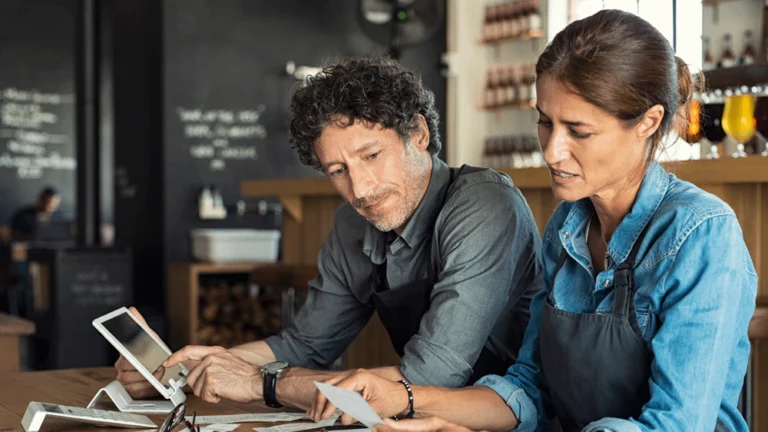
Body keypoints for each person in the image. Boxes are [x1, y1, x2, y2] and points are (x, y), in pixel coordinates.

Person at [309, 10, 757, 432]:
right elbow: (528, 387)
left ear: (648, 122)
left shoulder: (701, 233)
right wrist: (404, 398)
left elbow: (676, 425)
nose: (552, 150)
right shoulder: (567, 227)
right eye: (545, 122)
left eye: (578, 131)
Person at [116, 55, 543, 409]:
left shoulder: (484, 205)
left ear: (418, 134)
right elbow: (305, 345)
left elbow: (431, 376)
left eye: (372, 155)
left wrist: (262, 384)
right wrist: (185, 368)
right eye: (338, 171)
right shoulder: (352, 223)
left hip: (517, 417)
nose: (360, 189)